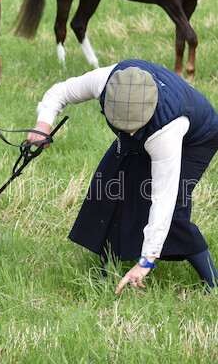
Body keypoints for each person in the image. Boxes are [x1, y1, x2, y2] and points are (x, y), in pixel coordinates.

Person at [27, 59, 218, 294]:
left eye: (133, 127)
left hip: (198, 137)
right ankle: (107, 270)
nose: (129, 131)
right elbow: (60, 91)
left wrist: (146, 261)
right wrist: (43, 125)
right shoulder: (106, 81)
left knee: (173, 211)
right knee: (108, 187)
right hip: (154, 127)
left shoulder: (165, 132)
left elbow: (163, 200)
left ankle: (213, 284)